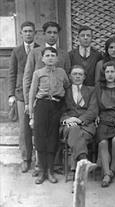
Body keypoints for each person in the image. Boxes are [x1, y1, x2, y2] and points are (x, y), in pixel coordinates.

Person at [28, 47, 70, 184]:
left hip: (56, 106)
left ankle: (51, 171)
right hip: (42, 105)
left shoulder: (62, 72)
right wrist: (31, 115)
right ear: (42, 58)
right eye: (47, 55)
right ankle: (42, 171)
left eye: (53, 55)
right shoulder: (38, 73)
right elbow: (32, 94)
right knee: (40, 138)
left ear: (57, 59)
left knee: (52, 137)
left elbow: (67, 87)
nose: (50, 57)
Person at [8, 21, 39, 173]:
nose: (28, 33)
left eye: (30, 31)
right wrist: (11, 94)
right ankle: (26, 159)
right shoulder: (16, 51)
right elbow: (12, 74)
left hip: (38, 93)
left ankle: (40, 161)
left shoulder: (41, 49)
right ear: (21, 33)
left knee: (39, 127)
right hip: (21, 95)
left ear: (35, 33)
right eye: (25, 31)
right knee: (24, 128)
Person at [60, 65, 97, 166]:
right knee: (74, 129)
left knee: (76, 134)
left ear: (84, 77)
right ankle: (83, 160)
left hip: (86, 126)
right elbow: (60, 110)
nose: (77, 76)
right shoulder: (64, 91)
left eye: (80, 74)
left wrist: (79, 120)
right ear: (69, 76)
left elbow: (93, 110)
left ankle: (77, 167)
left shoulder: (91, 90)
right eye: (74, 74)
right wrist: (67, 120)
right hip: (69, 124)